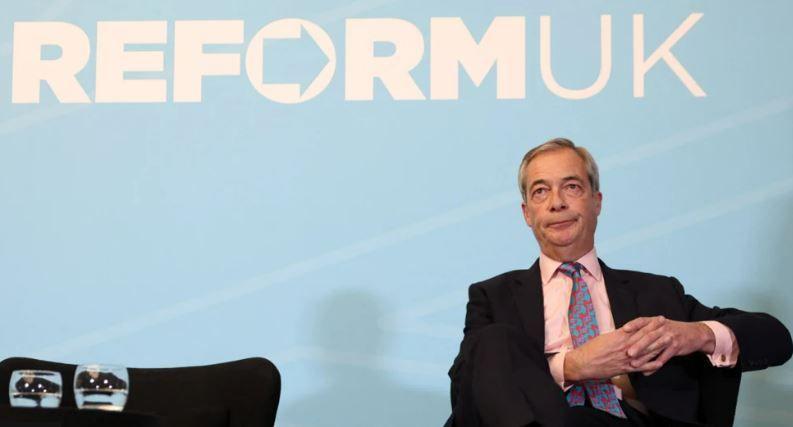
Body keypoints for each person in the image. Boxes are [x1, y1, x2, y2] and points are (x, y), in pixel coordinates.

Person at [445, 138, 792, 427]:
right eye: (540, 192)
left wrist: (694, 334)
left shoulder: (657, 293)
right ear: (527, 214)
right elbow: (468, 390)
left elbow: (775, 338)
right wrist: (573, 366)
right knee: (493, 342)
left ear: (597, 202)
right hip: (540, 419)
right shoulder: (492, 296)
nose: (557, 203)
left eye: (571, 186)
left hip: (627, 421)